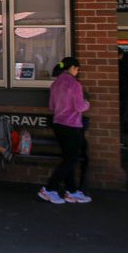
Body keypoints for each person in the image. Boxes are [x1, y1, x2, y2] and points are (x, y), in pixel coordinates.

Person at [38, 57, 92, 204]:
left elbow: (52, 106)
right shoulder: (75, 85)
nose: (78, 71)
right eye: (77, 68)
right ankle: (49, 189)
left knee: (68, 159)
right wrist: (87, 104)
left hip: (58, 124)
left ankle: (72, 191)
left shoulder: (55, 84)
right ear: (72, 68)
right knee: (71, 160)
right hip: (72, 125)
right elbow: (80, 107)